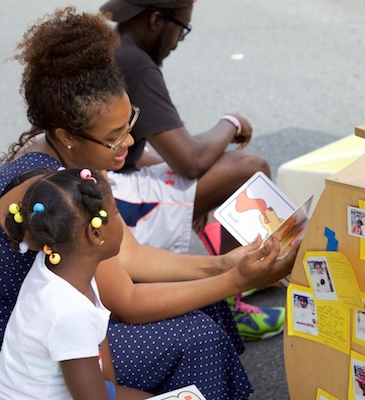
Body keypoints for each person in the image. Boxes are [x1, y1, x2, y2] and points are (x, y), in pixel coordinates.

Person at [0, 7, 298, 400]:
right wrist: (236, 280)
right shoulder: (57, 192)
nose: (128, 143)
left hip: (39, 330)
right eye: (113, 135)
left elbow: (131, 257)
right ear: (66, 134)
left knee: (199, 303)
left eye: (130, 124)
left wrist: (225, 264)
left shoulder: (78, 160)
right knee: (197, 338)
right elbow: (128, 301)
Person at [99, 0, 284, 341]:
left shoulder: (112, 46)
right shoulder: (136, 63)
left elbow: (145, 153)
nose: (180, 39)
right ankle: (231, 298)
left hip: (109, 181)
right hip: (112, 199)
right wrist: (232, 123)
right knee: (249, 168)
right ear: (156, 20)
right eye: (181, 28)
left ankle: (238, 263)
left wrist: (193, 191)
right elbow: (191, 160)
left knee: (199, 171)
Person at [0, 168, 149, 400]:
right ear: (95, 233)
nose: (120, 220)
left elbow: (106, 383)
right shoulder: (68, 311)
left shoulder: (63, 270)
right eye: (116, 213)